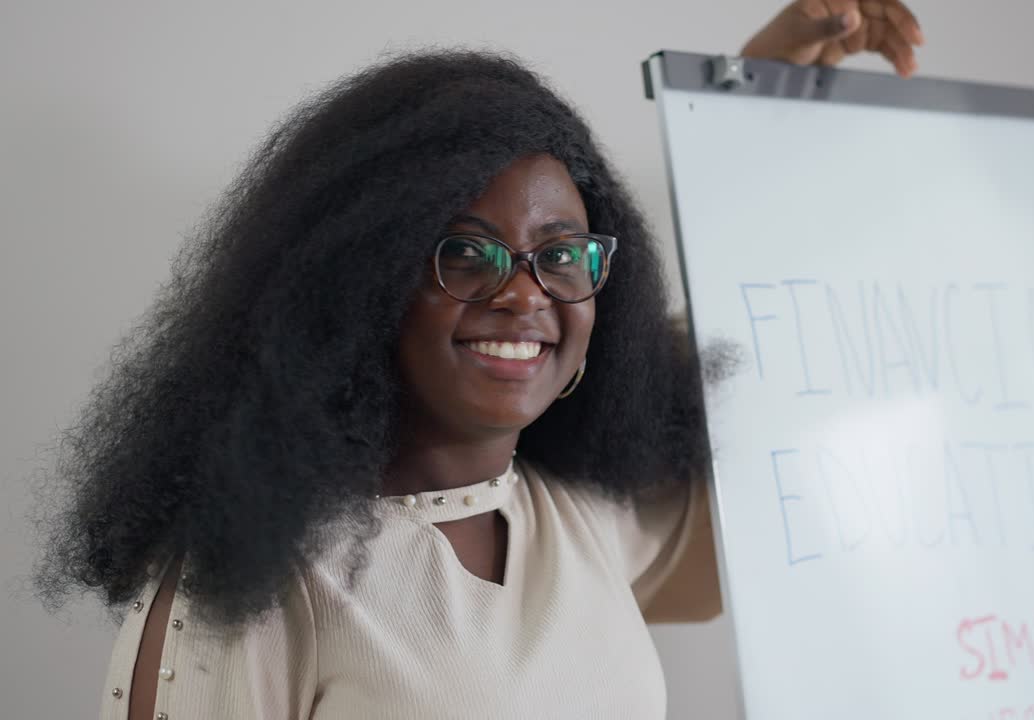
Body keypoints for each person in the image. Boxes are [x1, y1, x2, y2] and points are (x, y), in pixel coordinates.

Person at [32, 2, 922, 718]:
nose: (525, 295)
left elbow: (767, 343)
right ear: (356, 278)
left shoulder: (588, 518)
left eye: (562, 253)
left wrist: (755, 100)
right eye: (464, 251)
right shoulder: (258, 580)